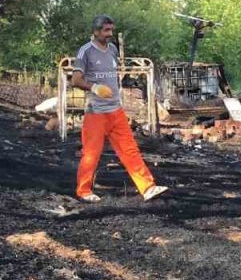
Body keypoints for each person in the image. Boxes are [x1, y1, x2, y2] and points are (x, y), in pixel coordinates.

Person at [70, 15, 168, 203]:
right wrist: (95, 87)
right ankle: (83, 191)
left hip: (115, 110)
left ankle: (147, 187)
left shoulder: (113, 49)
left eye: (111, 30)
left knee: (129, 149)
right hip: (96, 112)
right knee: (91, 153)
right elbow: (75, 80)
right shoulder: (86, 51)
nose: (110, 34)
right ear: (96, 31)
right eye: (106, 31)